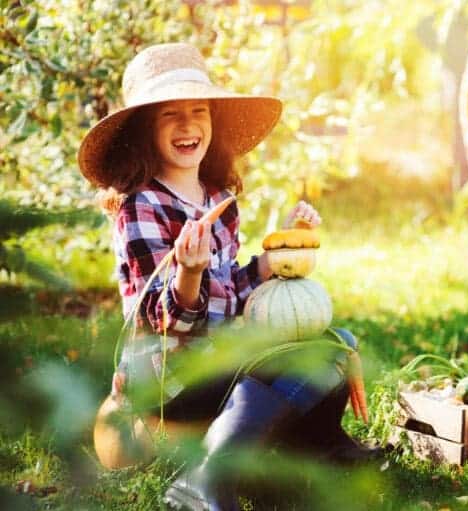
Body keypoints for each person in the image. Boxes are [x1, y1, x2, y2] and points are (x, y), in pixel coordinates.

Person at [77, 42, 378, 511]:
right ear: (143, 132)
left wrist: (282, 251)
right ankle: (206, 477)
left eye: (199, 110)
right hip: (170, 381)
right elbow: (159, 319)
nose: (187, 124)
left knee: (334, 340)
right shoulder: (141, 207)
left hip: (219, 357)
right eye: (168, 114)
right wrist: (187, 275)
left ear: (212, 123)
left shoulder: (219, 200)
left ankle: (320, 442)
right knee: (290, 362)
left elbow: (231, 291)